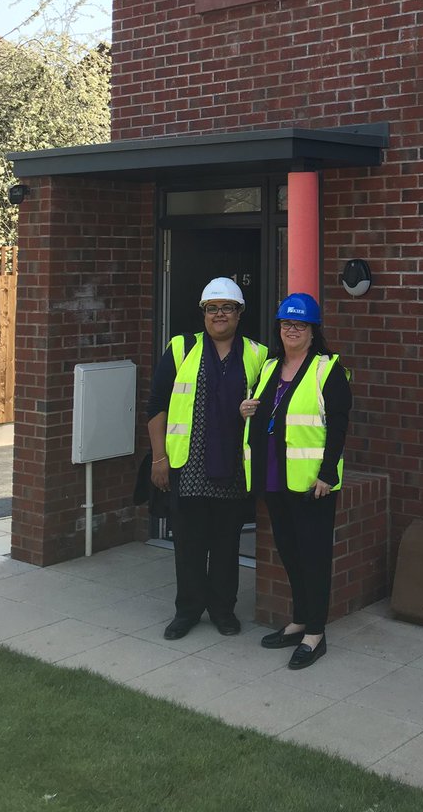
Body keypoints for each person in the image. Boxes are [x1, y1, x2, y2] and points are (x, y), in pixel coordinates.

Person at [148, 278, 268, 640]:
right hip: (187, 466)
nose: (219, 315)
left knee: (226, 544)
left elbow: (268, 410)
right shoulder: (181, 348)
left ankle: (222, 610)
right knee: (188, 545)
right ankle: (187, 611)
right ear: (203, 313)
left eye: (227, 308)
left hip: (231, 469)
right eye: (212, 308)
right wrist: (159, 458)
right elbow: (157, 406)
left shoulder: (258, 354)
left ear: (239, 313)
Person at [240, 293, 351, 670]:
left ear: (313, 330)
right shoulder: (271, 366)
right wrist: (246, 409)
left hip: (310, 485)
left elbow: (337, 427)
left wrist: (326, 474)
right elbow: (263, 411)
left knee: (314, 557)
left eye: (300, 325)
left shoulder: (327, 369)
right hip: (274, 478)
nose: (292, 330)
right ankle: (300, 619)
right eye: (287, 324)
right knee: (289, 553)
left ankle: (315, 633)